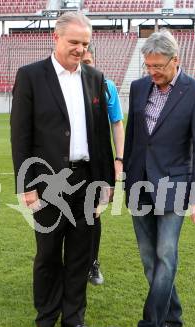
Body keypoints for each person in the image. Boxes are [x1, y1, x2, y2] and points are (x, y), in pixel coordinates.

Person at [10, 12, 115, 327]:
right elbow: (20, 135)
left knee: (81, 254)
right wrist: (26, 184)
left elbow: (101, 137)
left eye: (85, 44)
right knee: (48, 253)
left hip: (86, 180)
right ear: (55, 38)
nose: (80, 49)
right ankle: (45, 321)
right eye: (74, 42)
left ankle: (74, 318)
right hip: (47, 182)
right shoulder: (30, 77)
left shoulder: (95, 78)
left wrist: (106, 183)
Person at [124, 30, 195, 327]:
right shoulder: (137, 88)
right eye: (148, 66)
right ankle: (172, 314)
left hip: (174, 187)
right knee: (150, 260)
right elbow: (135, 137)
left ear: (176, 61)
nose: (152, 72)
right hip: (139, 186)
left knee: (165, 254)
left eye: (158, 66)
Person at [81, 44, 125, 286]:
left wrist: (119, 159)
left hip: (98, 164)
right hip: (68, 166)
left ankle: (92, 264)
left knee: (93, 214)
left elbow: (117, 124)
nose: (84, 67)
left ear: (94, 63)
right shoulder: (66, 88)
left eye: (88, 63)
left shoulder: (106, 87)